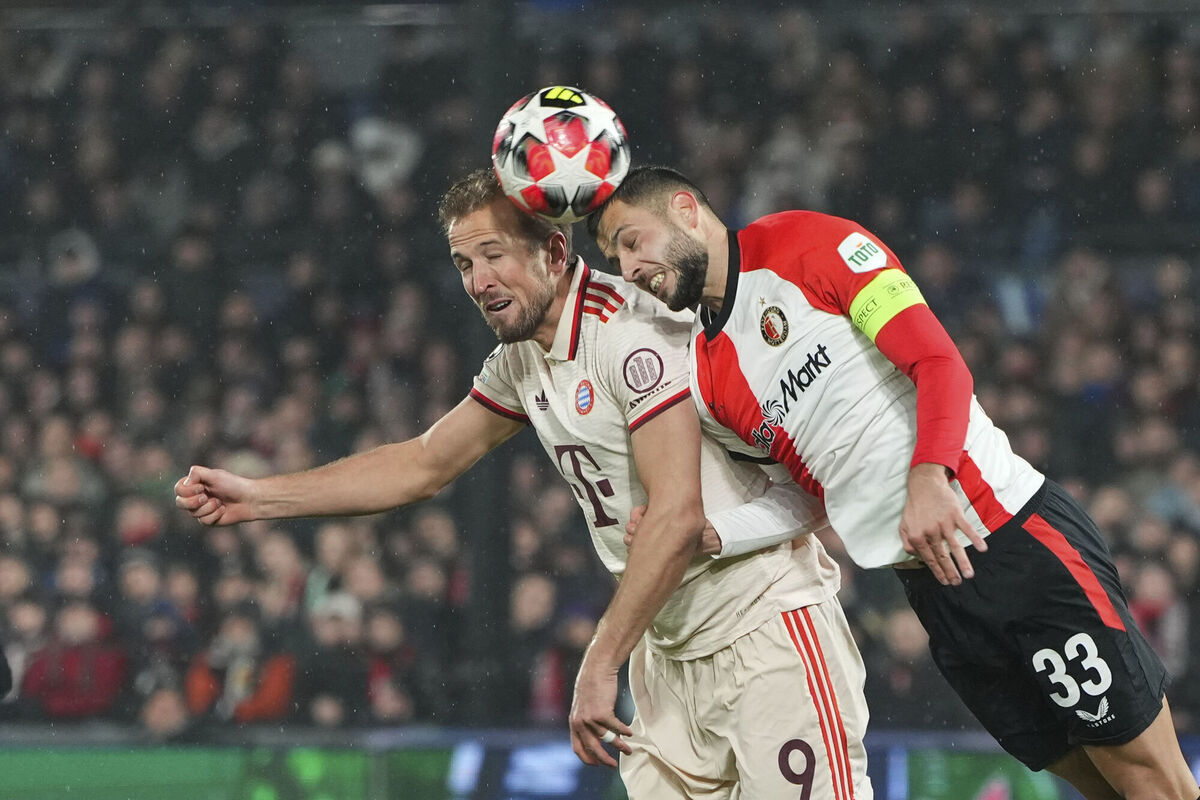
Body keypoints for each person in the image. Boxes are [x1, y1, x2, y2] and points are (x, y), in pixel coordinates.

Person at [176, 168, 873, 798]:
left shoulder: (630, 333)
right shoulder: (521, 361)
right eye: (463, 263)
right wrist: (260, 497)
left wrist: (599, 662)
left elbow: (676, 515)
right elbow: (423, 463)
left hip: (763, 628)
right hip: (668, 652)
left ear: (554, 252)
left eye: (493, 255)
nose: (477, 280)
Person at [590, 165, 1199, 800]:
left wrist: (930, 474)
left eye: (633, 242)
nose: (629, 269)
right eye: (614, 259)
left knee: (1152, 782)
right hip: (935, 591)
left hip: (1011, 540)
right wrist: (715, 533)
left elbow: (938, 361)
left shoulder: (812, 244)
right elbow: (806, 499)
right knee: (1099, 787)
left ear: (686, 211)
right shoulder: (709, 377)